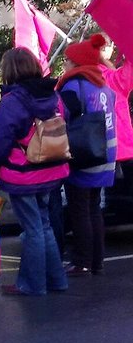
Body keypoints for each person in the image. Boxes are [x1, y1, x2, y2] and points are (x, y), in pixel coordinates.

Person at [0, 47, 69, 296]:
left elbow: (0, 138)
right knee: (44, 225)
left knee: (33, 229)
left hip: (23, 172)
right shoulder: (54, 96)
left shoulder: (14, 101)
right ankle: (56, 280)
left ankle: (32, 284)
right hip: (53, 168)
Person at [58, 34, 118, 276]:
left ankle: (82, 261)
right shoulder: (103, 85)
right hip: (106, 153)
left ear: (76, 63)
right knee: (94, 208)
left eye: (67, 61)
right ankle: (97, 260)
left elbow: (61, 117)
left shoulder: (74, 85)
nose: (64, 65)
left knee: (79, 209)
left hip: (84, 154)